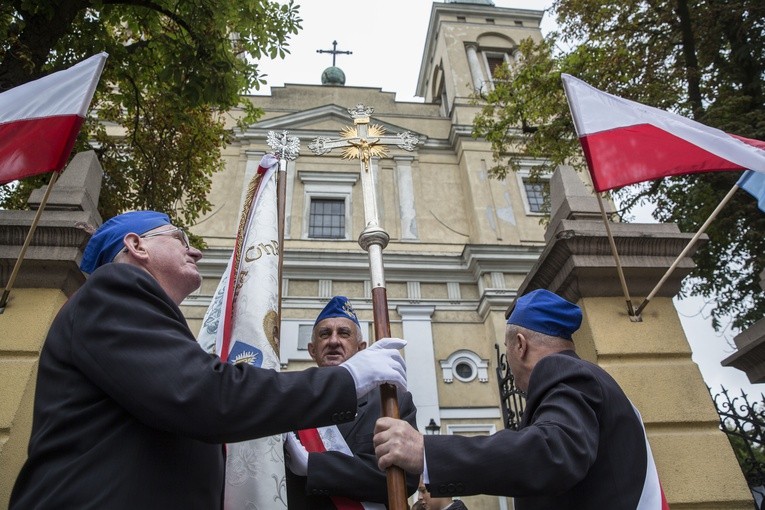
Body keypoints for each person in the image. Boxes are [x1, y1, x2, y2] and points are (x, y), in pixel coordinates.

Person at [10, 211, 407, 510]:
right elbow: (206, 395)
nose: (195, 249)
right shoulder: (115, 290)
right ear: (137, 245)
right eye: (179, 238)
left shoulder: (135, 313)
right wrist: (347, 379)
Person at [374, 289, 667, 510]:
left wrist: (427, 451)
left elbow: (553, 451)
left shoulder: (562, 370)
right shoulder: (588, 377)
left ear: (520, 345)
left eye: (507, 348)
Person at [284, 296, 419, 509]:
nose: (334, 341)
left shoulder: (391, 402)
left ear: (361, 348)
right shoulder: (291, 401)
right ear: (312, 350)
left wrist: (315, 467)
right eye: (325, 334)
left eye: (344, 333)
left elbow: (405, 479)